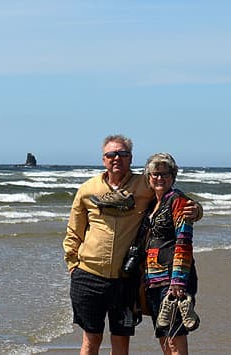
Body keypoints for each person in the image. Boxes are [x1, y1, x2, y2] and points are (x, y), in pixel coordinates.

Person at [63, 135, 202, 355]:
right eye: (111, 154)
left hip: (128, 281)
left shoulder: (145, 187)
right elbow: (73, 232)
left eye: (122, 154)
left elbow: (178, 211)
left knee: (129, 341)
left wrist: (196, 210)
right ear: (103, 159)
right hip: (90, 276)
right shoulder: (88, 189)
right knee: (91, 339)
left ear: (130, 158)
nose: (116, 158)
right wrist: (73, 265)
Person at [142, 153, 200, 355]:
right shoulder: (152, 204)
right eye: (155, 174)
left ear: (173, 176)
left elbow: (184, 242)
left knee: (175, 342)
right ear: (148, 177)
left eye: (164, 174)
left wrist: (178, 282)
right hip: (154, 280)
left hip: (172, 281)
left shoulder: (178, 202)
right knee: (164, 339)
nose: (159, 178)